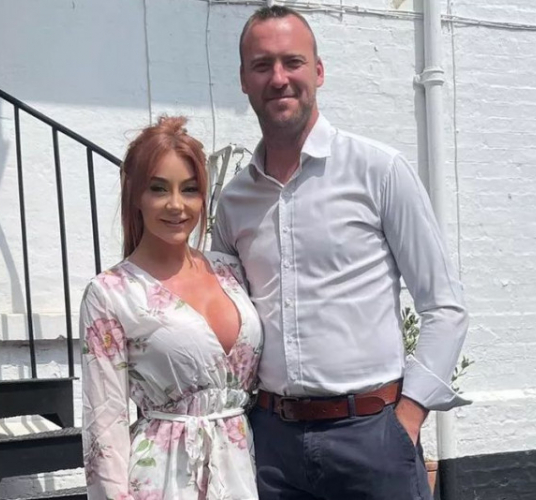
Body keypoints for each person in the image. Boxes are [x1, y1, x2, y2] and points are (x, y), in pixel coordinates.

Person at [211, 6, 469, 500]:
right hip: (272, 448)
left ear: (319, 71)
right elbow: (230, 324)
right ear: (243, 80)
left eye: (293, 62)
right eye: (262, 65)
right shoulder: (235, 202)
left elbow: (445, 307)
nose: (279, 78)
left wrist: (408, 418)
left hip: (372, 437)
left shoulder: (379, 171)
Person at [80, 116, 262, 500]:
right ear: (136, 195)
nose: (176, 205)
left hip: (242, 470)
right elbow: (105, 422)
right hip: (162, 479)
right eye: (159, 188)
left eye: (190, 189)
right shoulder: (111, 293)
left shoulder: (229, 270)